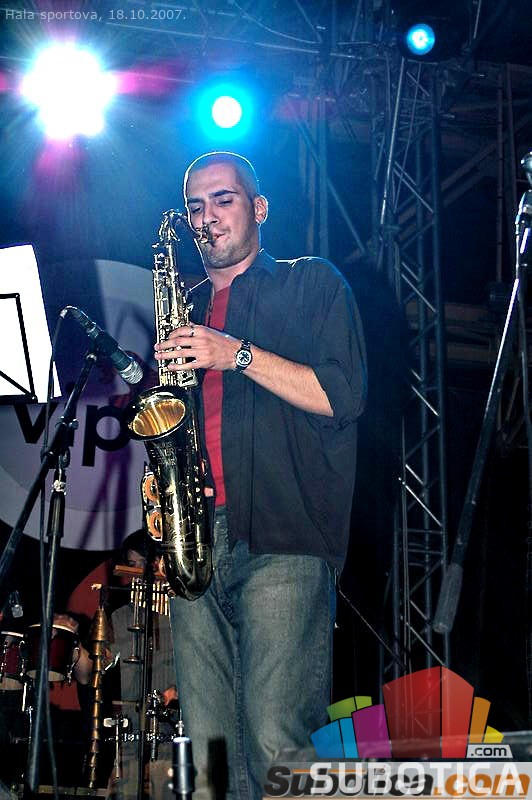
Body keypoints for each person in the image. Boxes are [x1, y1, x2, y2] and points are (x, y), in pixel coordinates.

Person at [154, 151, 366, 799]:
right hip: (194, 538)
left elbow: (342, 395)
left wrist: (235, 353)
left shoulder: (312, 283)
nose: (207, 217)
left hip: (284, 535)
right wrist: (157, 480)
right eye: (195, 207)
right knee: (208, 761)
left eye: (223, 200)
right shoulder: (183, 309)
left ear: (259, 208)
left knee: (278, 745)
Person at [61, 530, 177, 800]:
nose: (135, 574)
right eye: (131, 565)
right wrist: (72, 642)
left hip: (175, 733)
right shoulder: (121, 617)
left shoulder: (185, 614)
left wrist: (174, 693)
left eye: (141, 564)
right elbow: (90, 673)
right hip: (130, 737)